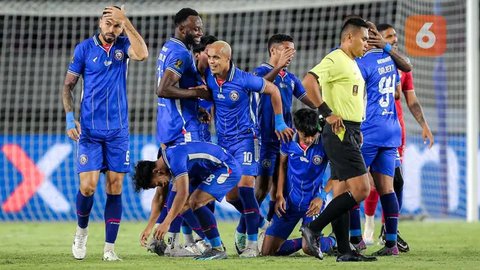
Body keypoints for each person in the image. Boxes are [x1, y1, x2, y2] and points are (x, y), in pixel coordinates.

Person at [62, 5, 148, 261]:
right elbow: (68, 86)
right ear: (100, 24)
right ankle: (81, 233)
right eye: (109, 24)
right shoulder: (84, 49)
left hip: (118, 132)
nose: (113, 30)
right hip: (88, 131)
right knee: (87, 188)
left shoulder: (124, 46)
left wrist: (127, 23)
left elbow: (142, 54)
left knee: (115, 187)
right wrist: (69, 118)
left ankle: (109, 249)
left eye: (117, 25)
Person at [205, 40, 294, 257]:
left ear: (227, 58)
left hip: (246, 140)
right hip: (223, 143)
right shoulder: (209, 77)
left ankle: (252, 245)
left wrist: (280, 122)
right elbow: (209, 97)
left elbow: (272, 90)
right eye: (210, 57)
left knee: (247, 188)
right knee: (232, 197)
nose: (212, 61)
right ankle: (261, 222)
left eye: (216, 57)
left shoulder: (244, 79)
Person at [300, 17, 376, 262]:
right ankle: (313, 227)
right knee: (362, 189)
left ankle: (344, 250)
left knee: (342, 191)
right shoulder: (335, 58)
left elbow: (349, 98)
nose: (366, 43)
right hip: (339, 132)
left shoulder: (352, 63)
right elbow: (308, 81)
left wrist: (357, 125)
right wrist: (326, 112)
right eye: (363, 39)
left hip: (349, 130)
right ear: (348, 38)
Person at [362, 23, 434, 250]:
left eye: (395, 35)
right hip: (371, 128)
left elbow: (410, 100)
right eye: (390, 36)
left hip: (396, 130)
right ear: (377, 39)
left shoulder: (400, 67)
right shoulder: (369, 63)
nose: (395, 39)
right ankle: (367, 226)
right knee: (369, 183)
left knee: (396, 181)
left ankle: (389, 231)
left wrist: (424, 124)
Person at [133, 141, 242, 260]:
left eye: (157, 183)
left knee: (195, 201)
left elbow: (183, 193)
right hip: (207, 170)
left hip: (226, 168)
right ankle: (210, 243)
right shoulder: (164, 159)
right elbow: (160, 197)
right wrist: (149, 227)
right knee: (184, 205)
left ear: (155, 172)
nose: (161, 185)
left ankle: (218, 248)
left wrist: (166, 223)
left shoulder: (175, 160)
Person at [253, 34, 316, 224]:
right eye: (287, 49)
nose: (291, 54)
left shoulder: (291, 78)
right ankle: (246, 228)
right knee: (262, 187)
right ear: (274, 50)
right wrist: (279, 66)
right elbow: (262, 86)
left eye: (293, 50)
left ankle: (270, 227)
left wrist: (326, 106)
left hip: (286, 140)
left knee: (280, 187)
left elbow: (309, 101)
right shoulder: (260, 71)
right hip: (265, 139)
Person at [261, 109, 336, 257]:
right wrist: (279, 195)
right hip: (290, 202)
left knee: (309, 249)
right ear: (297, 129)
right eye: (305, 135)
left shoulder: (325, 142)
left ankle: (334, 240)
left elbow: (337, 173)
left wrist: (321, 196)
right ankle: (310, 241)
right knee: (267, 251)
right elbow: (282, 166)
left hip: (312, 204)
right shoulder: (287, 140)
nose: (309, 139)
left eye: (312, 135)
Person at [156, 8, 210, 147]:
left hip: (169, 122)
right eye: (196, 29)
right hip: (183, 127)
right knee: (192, 167)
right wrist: (198, 93)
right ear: (182, 29)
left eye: (201, 29)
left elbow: (179, 85)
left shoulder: (169, 46)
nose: (201, 33)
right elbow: (163, 90)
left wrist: (196, 107)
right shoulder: (180, 53)